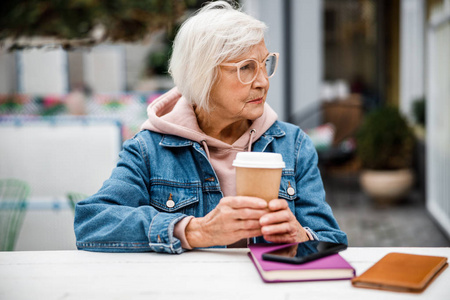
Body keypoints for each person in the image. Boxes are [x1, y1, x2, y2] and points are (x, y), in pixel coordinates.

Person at [74, 1, 347, 253]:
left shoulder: (293, 145)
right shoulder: (150, 149)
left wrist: (301, 236)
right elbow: (92, 223)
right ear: (202, 76)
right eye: (246, 68)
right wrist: (194, 231)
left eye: (265, 64)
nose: (263, 81)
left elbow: (332, 241)